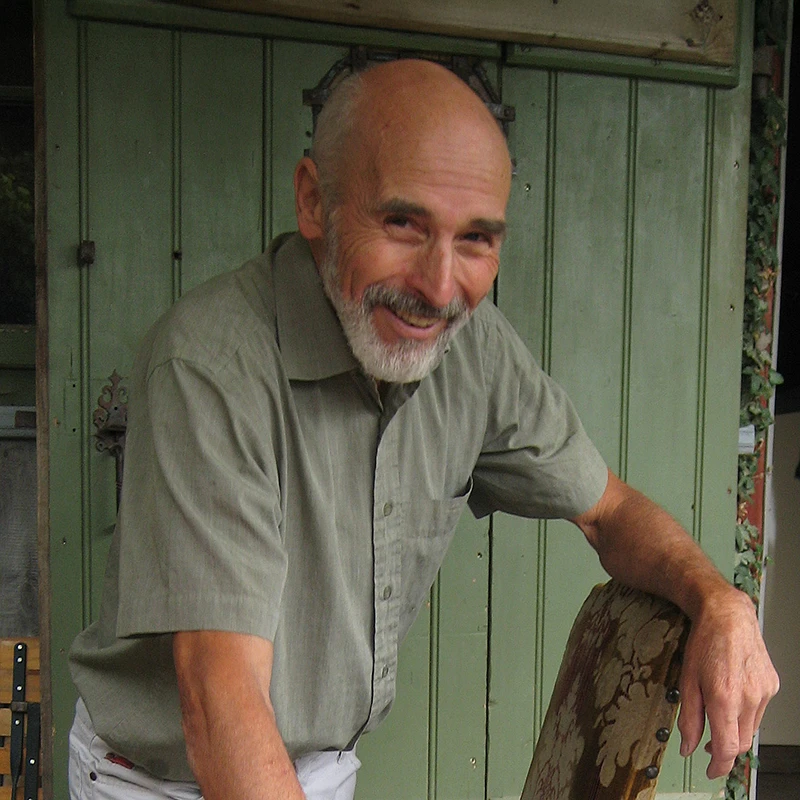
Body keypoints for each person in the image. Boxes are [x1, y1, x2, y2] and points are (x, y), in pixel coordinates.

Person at [67, 59, 778, 800]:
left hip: (320, 766)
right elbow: (220, 698)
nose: (440, 288)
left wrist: (717, 601)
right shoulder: (210, 362)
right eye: (404, 224)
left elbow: (610, 513)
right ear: (315, 201)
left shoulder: (474, 347)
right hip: (160, 782)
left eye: (476, 239)